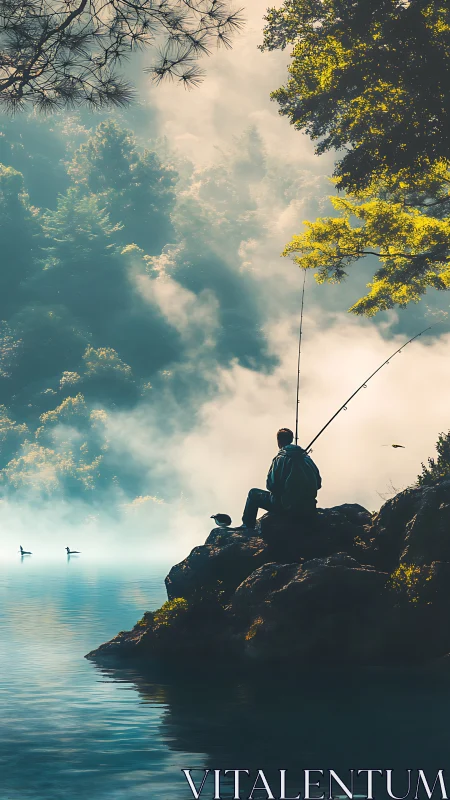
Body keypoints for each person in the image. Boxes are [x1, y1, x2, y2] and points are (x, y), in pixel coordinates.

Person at [240, 428, 321, 530]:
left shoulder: (280, 458)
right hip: (308, 507)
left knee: (253, 493)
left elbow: (271, 485)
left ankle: (247, 526)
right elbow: (318, 483)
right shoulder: (307, 458)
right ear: (291, 439)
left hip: (288, 508)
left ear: (279, 441)